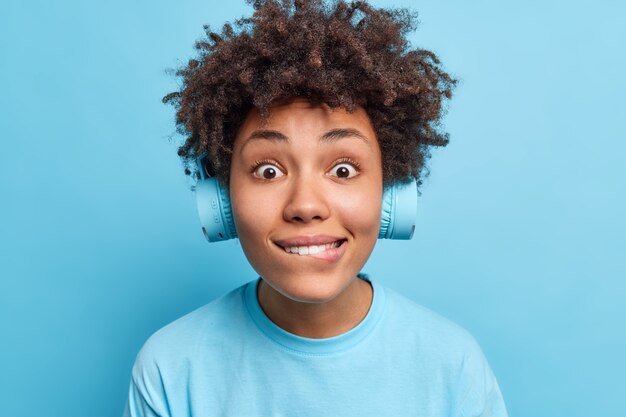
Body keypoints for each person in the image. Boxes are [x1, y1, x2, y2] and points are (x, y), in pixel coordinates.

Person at [124, 1, 508, 416]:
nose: (305, 205)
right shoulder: (170, 368)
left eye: (343, 169)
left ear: (391, 194)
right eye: (268, 171)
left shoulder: (454, 367)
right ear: (222, 200)